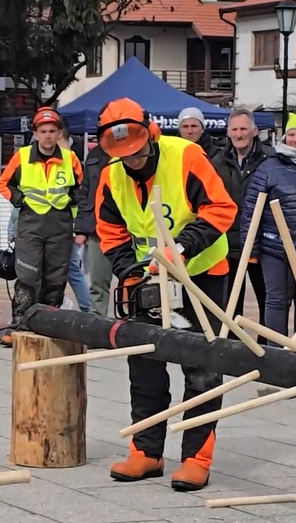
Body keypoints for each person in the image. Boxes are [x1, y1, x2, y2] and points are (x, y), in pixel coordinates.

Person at [94, 98, 235, 490]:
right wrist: (128, 269)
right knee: (144, 363)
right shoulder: (112, 174)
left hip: (200, 272)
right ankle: (146, 450)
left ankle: (196, 456)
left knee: (202, 366)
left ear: (151, 136)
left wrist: (184, 245)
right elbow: (110, 230)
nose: (133, 161)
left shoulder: (187, 156)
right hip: (148, 278)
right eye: (126, 157)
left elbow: (221, 208)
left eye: (138, 154)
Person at [0, 107, 89, 319]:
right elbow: (3, 184)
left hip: (60, 222)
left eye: (52, 131)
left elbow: (82, 187)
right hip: (31, 222)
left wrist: (73, 201)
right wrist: (22, 201)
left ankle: (49, 320)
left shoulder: (70, 158)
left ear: (58, 133)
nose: (48, 135)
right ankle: (20, 320)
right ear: (35, 133)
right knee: (28, 273)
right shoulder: (22, 156)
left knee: (55, 276)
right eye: (43, 131)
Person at [240, 113, 296, 341]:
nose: (294, 139)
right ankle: (276, 352)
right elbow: (251, 208)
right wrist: (250, 249)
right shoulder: (269, 166)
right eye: (291, 134)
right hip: (275, 248)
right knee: (276, 299)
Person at [211, 108, 272, 325]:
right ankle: (232, 349)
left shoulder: (270, 160)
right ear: (228, 132)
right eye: (234, 129)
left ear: (255, 130)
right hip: (228, 243)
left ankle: (266, 351)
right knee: (229, 304)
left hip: (261, 243)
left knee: (267, 301)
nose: (239, 134)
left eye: (243, 129)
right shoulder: (217, 162)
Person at [59, 126, 93, 312]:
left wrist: (80, 229)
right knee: (68, 269)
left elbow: (82, 197)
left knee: (71, 268)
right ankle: (75, 305)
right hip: (62, 224)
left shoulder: (71, 163)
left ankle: (86, 308)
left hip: (69, 224)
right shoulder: (67, 161)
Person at [81, 140, 113, 315]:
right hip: (98, 227)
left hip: (131, 225)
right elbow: (85, 192)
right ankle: (98, 323)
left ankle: (138, 322)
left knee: (135, 279)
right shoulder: (94, 156)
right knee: (98, 282)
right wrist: (81, 228)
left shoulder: (134, 150)